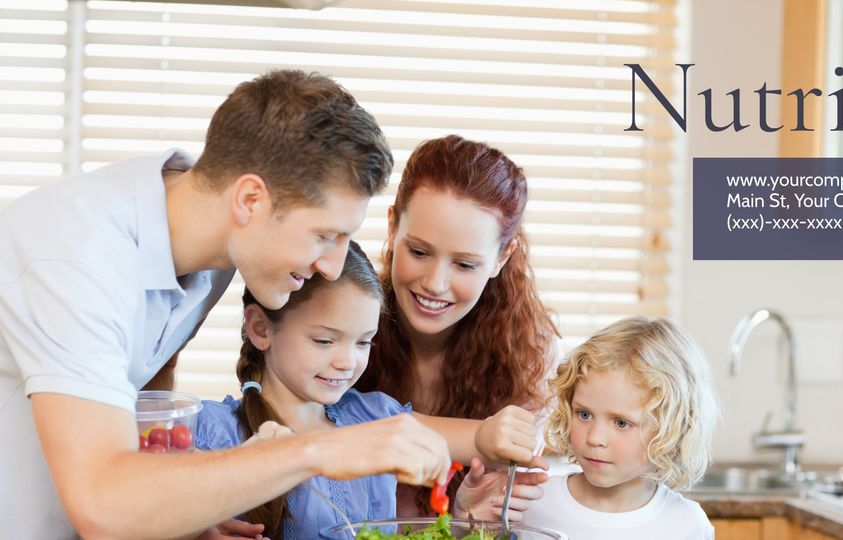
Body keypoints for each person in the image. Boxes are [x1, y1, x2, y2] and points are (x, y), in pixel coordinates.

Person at [0, 69, 534, 538]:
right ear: (251, 199)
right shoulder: (75, 261)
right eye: (325, 235)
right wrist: (318, 449)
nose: (331, 265)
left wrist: (184, 506)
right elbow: (103, 504)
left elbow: (146, 370)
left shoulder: (206, 232)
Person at [196, 242, 544, 538]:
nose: (347, 361)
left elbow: (479, 440)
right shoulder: (213, 432)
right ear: (261, 328)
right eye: (324, 340)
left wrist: (462, 519)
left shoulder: (375, 417)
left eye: (364, 342)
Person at [355, 135, 560, 517]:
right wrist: (477, 439)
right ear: (392, 226)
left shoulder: (530, 358)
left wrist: (466, 518)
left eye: (465, 264)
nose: (434, 283)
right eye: (418, 251)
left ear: (502, 257)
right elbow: (327, 433)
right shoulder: (341, 319)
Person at [521, 316, 720, 539]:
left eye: (621, 423)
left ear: (671, 428)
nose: (595, 438)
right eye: (584, 414)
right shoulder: (530, 504)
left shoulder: (687, 526)